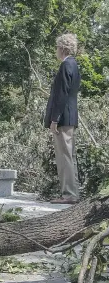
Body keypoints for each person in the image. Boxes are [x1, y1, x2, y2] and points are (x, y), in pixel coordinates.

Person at [45, 33, 81, 204]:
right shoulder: (74, 65)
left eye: (57, 47)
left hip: (64, 119)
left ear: (62, 48)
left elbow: (62, 95)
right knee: (68, 155)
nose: (56, 51)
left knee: (64, 156)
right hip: (70, 117)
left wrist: (54, 119)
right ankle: (71, 193)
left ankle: (68, 194)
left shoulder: (66, 65)